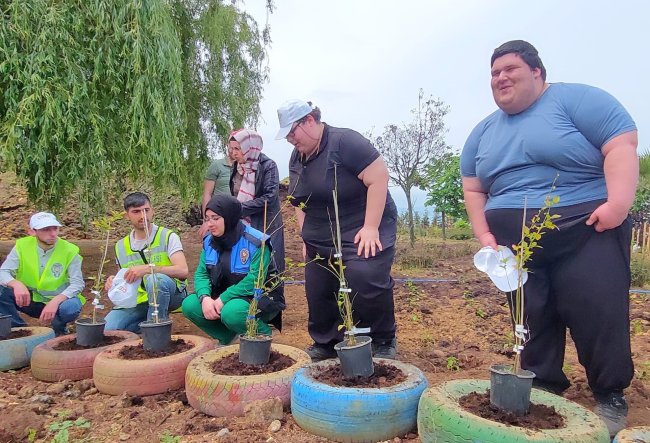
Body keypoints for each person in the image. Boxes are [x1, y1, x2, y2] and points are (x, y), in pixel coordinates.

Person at [460, 40, 638, 436]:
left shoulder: (578, 101)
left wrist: (618, 206)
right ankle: (542, 384)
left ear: (538, 72)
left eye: (510, 69)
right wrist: (484, 232)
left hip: (586, 227)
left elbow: (621, 145)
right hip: (515, 243)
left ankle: (609, 393)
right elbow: (473, 188)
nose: (500, 77)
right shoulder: (483, 132)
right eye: (494, 72)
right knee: (531, 313)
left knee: (596, 306)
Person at [276, 99, 398, 361]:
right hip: (322, 229)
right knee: (317, 285)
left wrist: (370, 227)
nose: (290, 139)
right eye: (286, 135)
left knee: (364, 275)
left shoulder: (345, 142)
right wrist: (305, 233)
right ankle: (326, 341)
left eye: (292, 132)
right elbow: (298, 200)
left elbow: (379, 177)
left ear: (309, 120)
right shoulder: (297, 157)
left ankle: (382, 339)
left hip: (363, 223)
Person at [181, 194, 285, 344]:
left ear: (230, 217)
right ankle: (226, 337)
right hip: (224, 296)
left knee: (233, 312)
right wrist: (205, 298)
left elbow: (255, 280)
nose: (209, 224)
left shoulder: (256, 242)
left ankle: (262, 335)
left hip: (259, 297)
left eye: (215, 218)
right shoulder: (209, 242)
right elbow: (201, 273)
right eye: (207, 219)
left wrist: (223, 299)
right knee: (190, 305)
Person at [104, 192, 188, 332]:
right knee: (109, 328)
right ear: (127, 215)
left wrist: (149, 269)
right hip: (139, 300)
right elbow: (125, 278)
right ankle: (144, 326)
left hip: (173, 293)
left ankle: (155, 331)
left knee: (156, 280)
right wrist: (113, 281)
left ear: (152, 211)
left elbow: (183, 271)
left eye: (146, 210)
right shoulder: (120, 246)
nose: (143, 215)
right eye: (136, 212)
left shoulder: (167, 236)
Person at [0, 212, 84, 335]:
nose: (53, 234)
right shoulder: (22, 246)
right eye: (46, 229)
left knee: (70, 308)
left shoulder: (70, 250)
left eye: (55, 228)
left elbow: (77, 284)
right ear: (32, 232)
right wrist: (16, 284)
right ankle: (18, 330)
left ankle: (59, 329)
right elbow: (4, 271)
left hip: (60, 302)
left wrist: (55, 302)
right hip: (30, 299)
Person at [229, 128, 285, 276]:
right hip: (242, 225)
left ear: (249, 147)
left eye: (237, 149)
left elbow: (269, 198)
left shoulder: (268, 166)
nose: (233, 153)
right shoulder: (236, 168)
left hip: (266, 224)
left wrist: (239, 209)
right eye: (231, 149)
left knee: (268, 267)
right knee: (244, 267)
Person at [199, 142, 235, 238]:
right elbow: (207, 194)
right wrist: (206, 220)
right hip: (217, 215)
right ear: (227, 146)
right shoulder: (217, 166)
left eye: (236, 148)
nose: (232, 151)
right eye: (230, 147)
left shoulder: (244, 168)